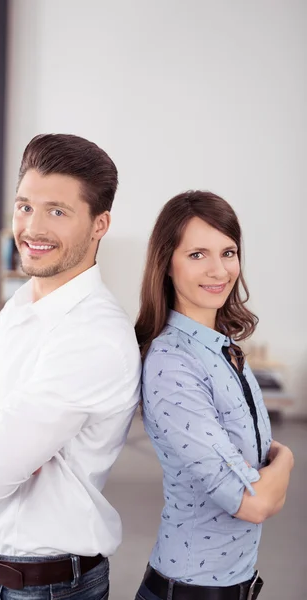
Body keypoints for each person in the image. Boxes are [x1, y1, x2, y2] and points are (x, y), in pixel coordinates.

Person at [0, 133, 141, 600]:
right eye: (24, 207)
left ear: (100, 224)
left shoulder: (93, 336)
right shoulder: (23, 303)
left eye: (57, 211)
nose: (32, 228)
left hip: (52, 587)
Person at [134, 191, 294, 600]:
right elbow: (252, 502)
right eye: (197, 255)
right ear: (166, 264)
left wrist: (264, 467)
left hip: (232, 583)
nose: (219, 270)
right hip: (189, 589)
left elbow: (254, 454)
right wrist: (288, 458)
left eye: (228, 252)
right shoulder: (173, 363)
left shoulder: (221, 347)